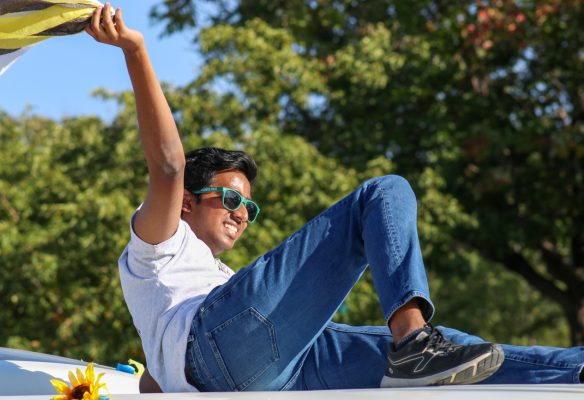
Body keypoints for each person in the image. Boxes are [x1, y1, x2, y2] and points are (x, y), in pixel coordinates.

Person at [86, 3, 584, 393]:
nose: (243, 216)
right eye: (230, 200)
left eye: (250, 209)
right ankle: (413, 338)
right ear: (186, 203)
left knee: (462, 355)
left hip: (266, 373)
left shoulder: (197, 290)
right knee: (384, 193)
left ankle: (567, 370)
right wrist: (134, 50)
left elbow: (157, 383)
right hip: (226, 347)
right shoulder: (156, 246)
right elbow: (169, 165)